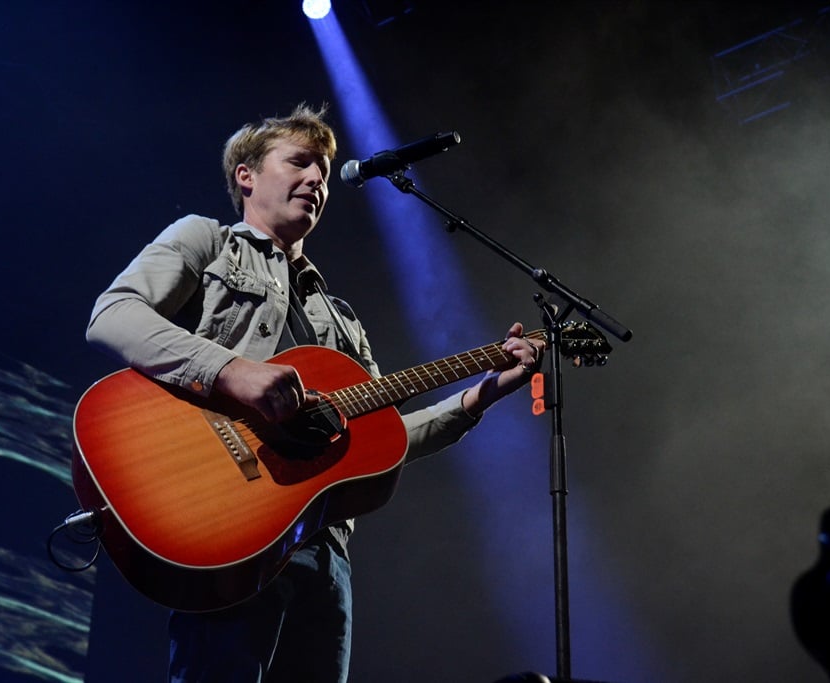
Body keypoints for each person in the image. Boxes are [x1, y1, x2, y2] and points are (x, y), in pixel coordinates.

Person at [85, 103, 544, 683]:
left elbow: (381, 441)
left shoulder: (342, 321)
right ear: (245, 175)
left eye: (324, 173)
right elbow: (113, 315)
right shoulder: (206, 241)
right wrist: (233, 372)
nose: (316, 180)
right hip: (231, 521)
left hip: (325, 549)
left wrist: (479, 398)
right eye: (299, 163)